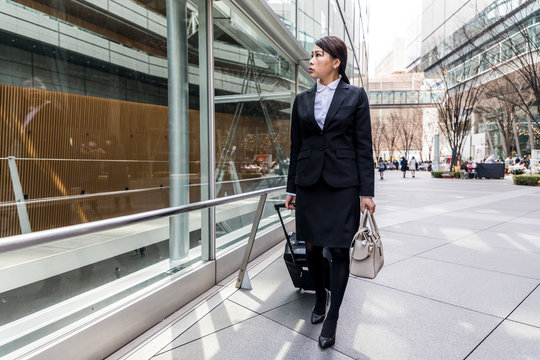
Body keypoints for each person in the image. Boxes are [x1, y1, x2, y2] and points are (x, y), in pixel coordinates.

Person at [284, 36, 375, 349]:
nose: (312, 60)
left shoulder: (356, 96)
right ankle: (320, 298)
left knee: (338, 249)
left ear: (336, 61)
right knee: (311, 247)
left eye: (318, 55)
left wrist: (367, 192)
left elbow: (364, 147)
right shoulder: (301, 100)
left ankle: (333, 314)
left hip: (342, 184)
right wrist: (291, 187)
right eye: (311, 54)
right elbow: (296, 148)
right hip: (310, 183)